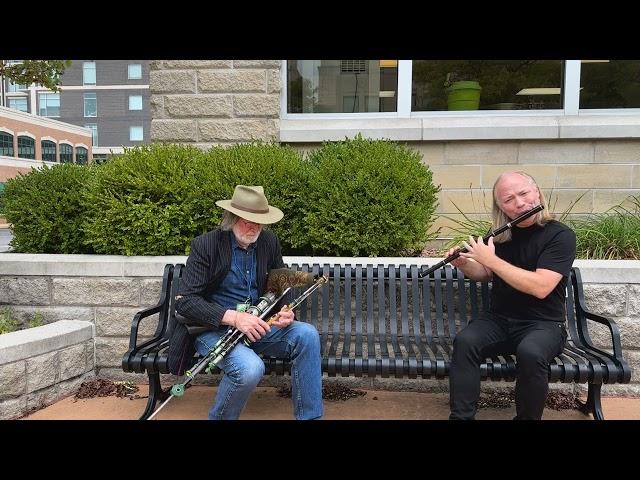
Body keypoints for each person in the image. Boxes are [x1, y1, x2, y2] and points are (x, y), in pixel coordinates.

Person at [171, 185, 323, 420]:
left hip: (259, 326)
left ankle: (310, 417)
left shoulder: (269, 242)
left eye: (259, 221)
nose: (254, 227)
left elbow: (279, 283)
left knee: (307, 335)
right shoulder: (206, 245)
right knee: (250, 369)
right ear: (231, 218)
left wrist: (285, 310)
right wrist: (234, 318)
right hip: (214, 330)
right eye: (246, 220)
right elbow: (186, 302)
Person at [448, 171, 576, 420]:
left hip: (544, 324)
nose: (519, 203)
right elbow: (486, 273)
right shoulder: (500, 234)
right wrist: (464, 264)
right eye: (508, 199)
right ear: (501, 207)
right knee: (465, 342)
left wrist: (492, 260)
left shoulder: (560, 236)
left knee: (531, 353)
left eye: (524, 193)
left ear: (536, 191)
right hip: (499, 319)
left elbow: (541, 287)